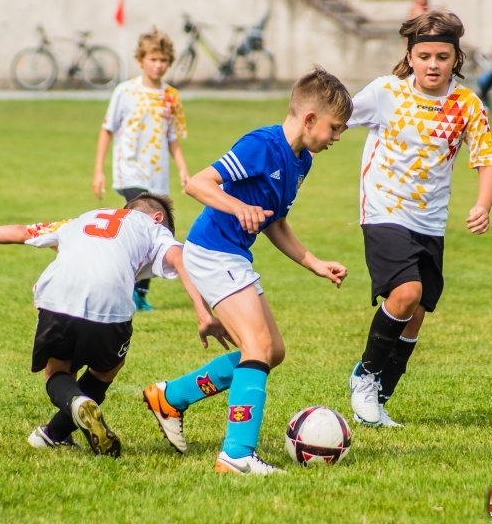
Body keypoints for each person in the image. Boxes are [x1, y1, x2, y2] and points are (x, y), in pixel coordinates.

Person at [141, 66, 351, 475]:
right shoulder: (262, 145)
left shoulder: (301, 161)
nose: (337, 138)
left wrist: (314, 263)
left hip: (233, 255)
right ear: (310, 119)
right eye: (335, 128)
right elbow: (197, 184)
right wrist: (240, 208)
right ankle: (236, 455)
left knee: (272, 351)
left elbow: (275, 222)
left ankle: (172, 397)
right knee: (256, 347)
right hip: (212, 251)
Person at [0, 193, 230, 457]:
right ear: (157, 217)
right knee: (105, 370)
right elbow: (179, 258)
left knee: (58, 373)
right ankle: (69, 417)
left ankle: (56, 430)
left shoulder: (82, 219)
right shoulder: (153, 227)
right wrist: (203, 314)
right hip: (110, 307)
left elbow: (23, 231)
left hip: (56, 296)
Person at [345, 9, 492, 428]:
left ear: (456, 60)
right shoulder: (386, 92)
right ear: (410, 56)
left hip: (430, 221)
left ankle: (380, 397)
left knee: (416, 313)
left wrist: (482, 205)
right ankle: (364, 376)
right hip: (383, 212)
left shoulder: (467, 104)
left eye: (443, 57)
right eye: (425, 55)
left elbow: (487, 161)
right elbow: (338, 117)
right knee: (406, 293)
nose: (433, 64)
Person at [92, 28, 190, 313]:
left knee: (157, 233)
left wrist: (183, 170)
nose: (158, 65)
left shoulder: (171, 97)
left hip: (156, 178)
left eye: (163, 60)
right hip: (129, 173)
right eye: (153, 59)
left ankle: (140, 292)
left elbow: (173, 138)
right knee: (139, 229)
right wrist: (98, 170)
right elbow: (106, 130)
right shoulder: (125, 92)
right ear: (140, 60)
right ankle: (128, 289)